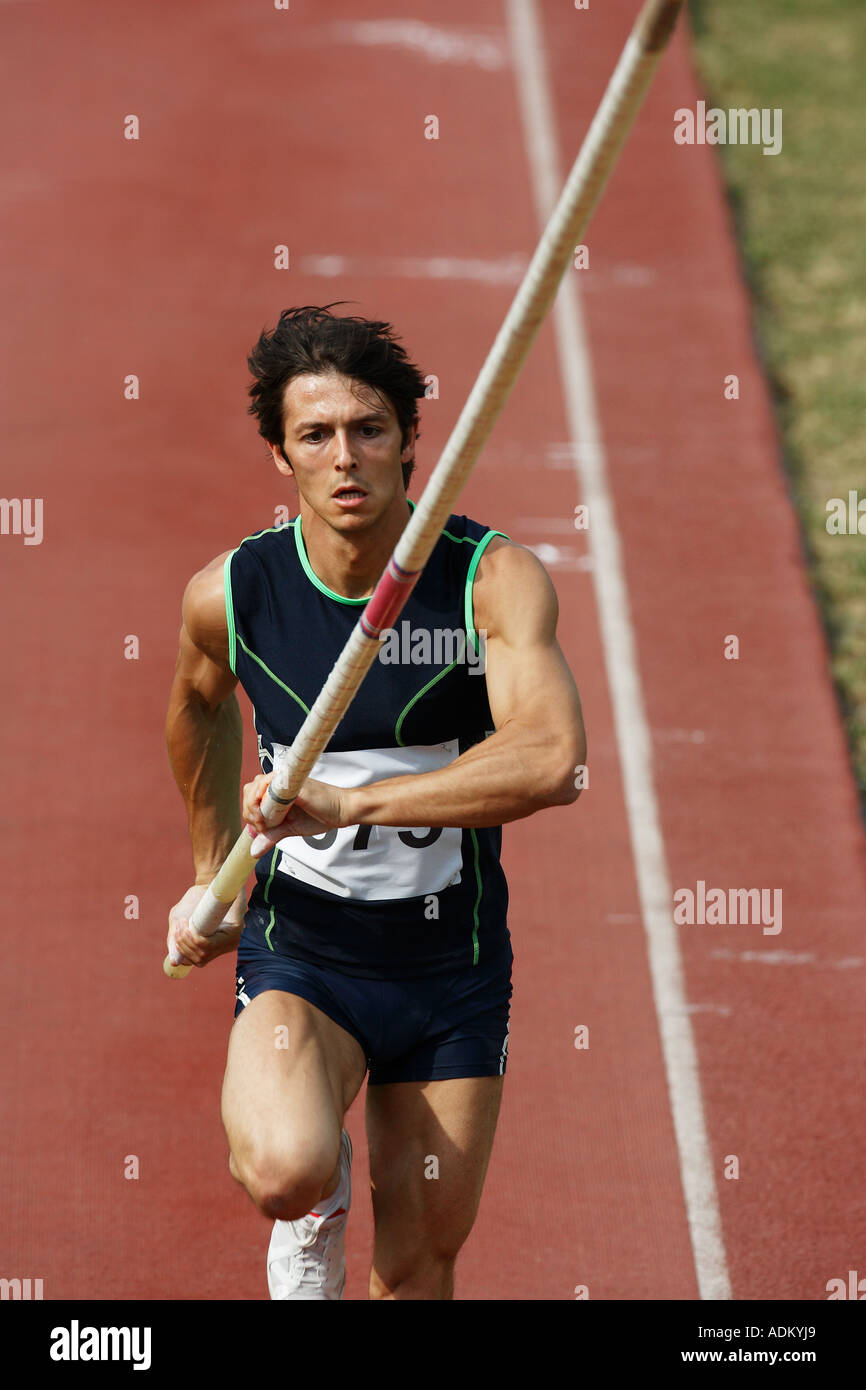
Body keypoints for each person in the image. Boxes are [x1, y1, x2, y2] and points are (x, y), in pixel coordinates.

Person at [165, 304, 586, 1301]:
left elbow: (551, 760)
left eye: (369, 430)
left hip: (451, 970)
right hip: (303, 954)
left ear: (409, 440)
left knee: (413, 1268)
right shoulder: (234, 594)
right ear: (280, 454)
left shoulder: (489, 581)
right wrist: (211, 870)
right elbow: (194, 702)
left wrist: (349, 801)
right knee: (286, 1167)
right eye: (315, 435)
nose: (345, 458)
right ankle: (314, 1211)